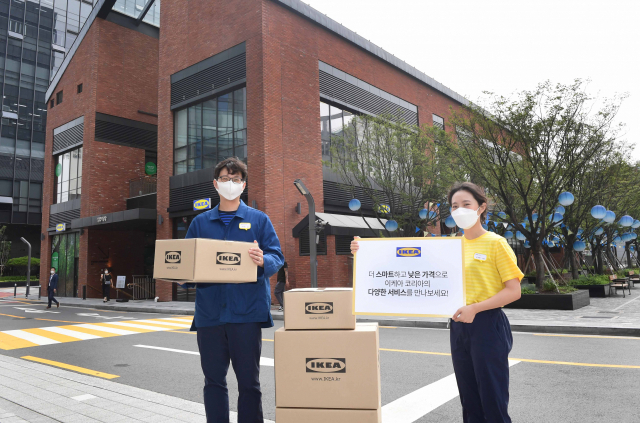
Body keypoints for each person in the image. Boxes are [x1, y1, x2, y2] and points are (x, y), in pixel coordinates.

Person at [351, 182, 523, 423]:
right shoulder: (448, 245)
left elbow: (514, 291)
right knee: (469, 399)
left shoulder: (496, 243)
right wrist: (364, 251)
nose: (459, 210)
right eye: (454, 206)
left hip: (488, 324)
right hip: (459, 325)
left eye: (466, 204)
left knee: (492, 400)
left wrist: (476, 308)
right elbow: (405, 264)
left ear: (481, 207)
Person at [185, 157, 284, 423]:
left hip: (247, 314)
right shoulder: (200, 223)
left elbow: (277, 256)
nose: (231, 183)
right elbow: (184, 263)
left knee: (249, 384)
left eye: (236, 179)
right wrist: (179, 274)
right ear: (215, 184)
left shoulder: (258, 220)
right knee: (213, 382)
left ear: (243, 185)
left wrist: (264, 260)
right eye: (226, 179)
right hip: (210, 315)